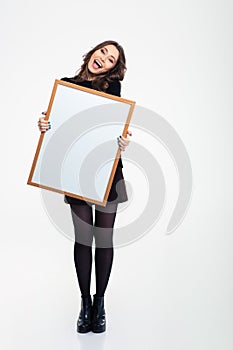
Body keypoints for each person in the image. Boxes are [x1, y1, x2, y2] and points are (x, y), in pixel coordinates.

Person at [38, 40, 132, 334]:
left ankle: (100, 303)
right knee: (82, 239)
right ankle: (85, 303)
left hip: (106, 173)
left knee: (103, 240)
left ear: (113, 69)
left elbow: (110, 127)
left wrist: (122, 140)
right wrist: (46, 125)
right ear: (93, 52)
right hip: (74, 173)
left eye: (111, 59)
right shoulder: (65, 87)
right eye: (102, 51)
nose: (103, 59)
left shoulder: (112, 91)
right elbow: (60, 129)